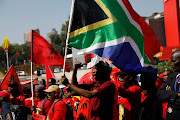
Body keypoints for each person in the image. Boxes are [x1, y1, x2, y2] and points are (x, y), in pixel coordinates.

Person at [157, 49, 180, 120]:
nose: (171, 64)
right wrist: (176, 94)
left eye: (174, 61)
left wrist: (169, 94)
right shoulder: (173, 76)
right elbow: (159, 95)